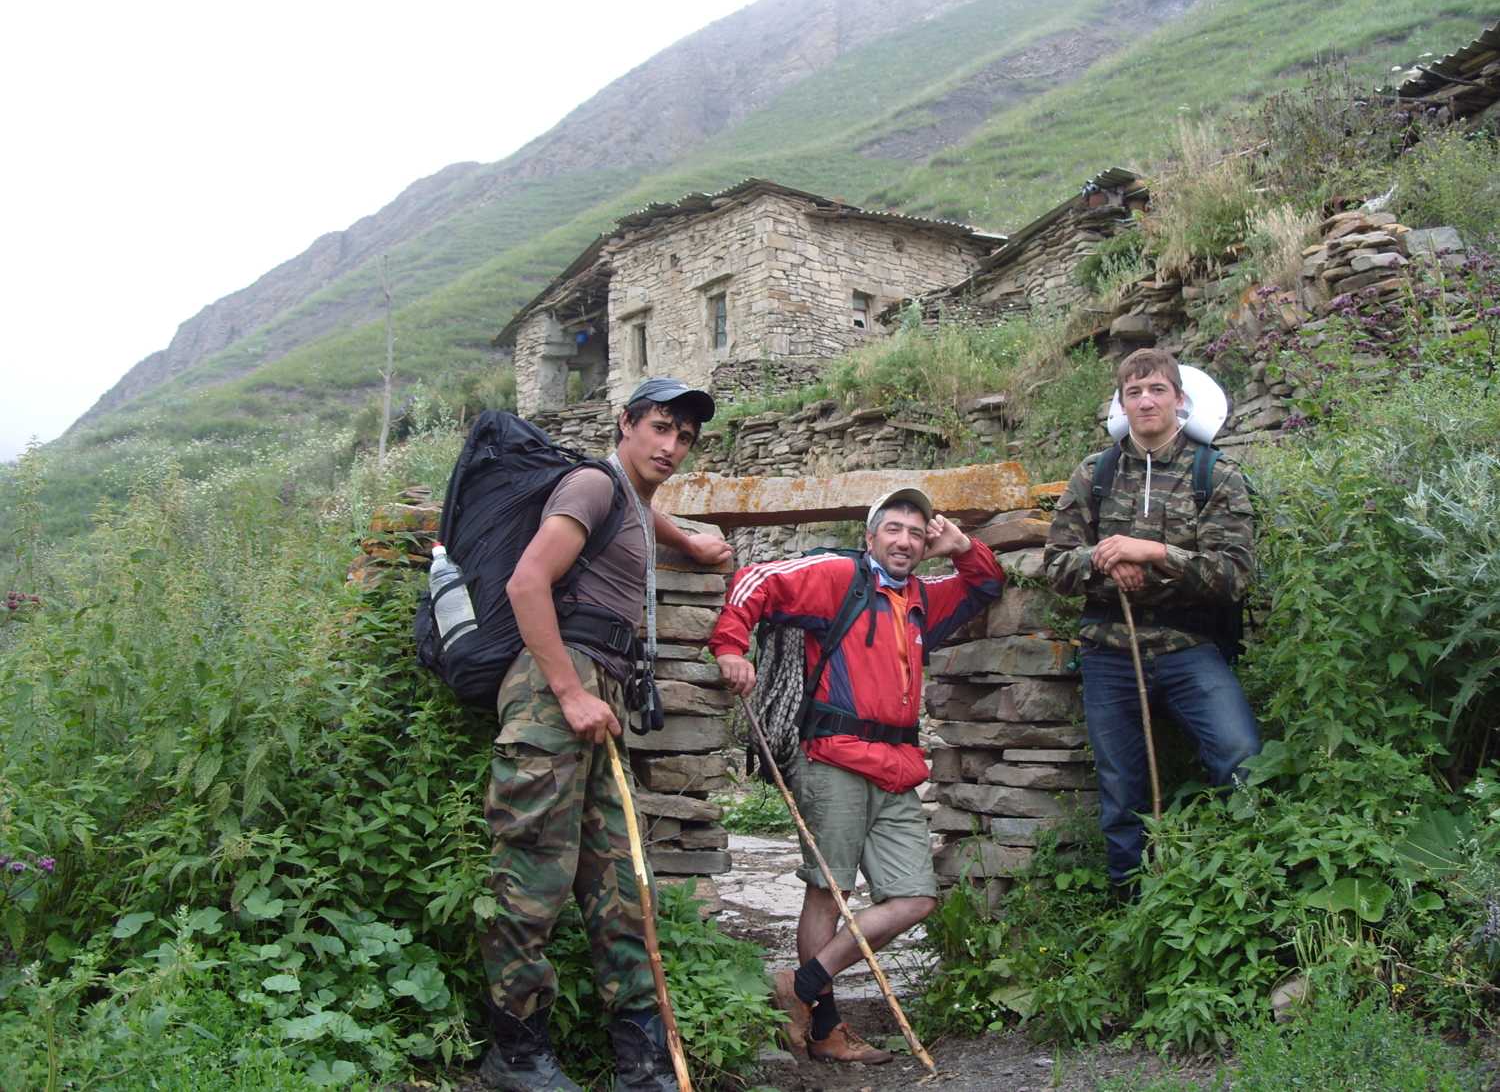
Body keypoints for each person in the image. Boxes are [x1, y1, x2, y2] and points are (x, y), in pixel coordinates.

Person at [478, 378, 732, 1092]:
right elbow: (528, 583)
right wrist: (567, 690)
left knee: (620, 882)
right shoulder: (592, 484)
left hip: (601, 693)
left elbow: (650, 523)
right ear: (623, 424)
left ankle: (642, 1061)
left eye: (684, 436)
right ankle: (516, 1052)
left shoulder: (635, 504)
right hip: (555, 688)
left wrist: (693, 541)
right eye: (659, 427)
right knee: (534, 873)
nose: (671, 445)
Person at [710, 489, 1004, 1064]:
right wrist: (729, 646)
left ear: (925, 545)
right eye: (892, 529)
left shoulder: (923, 597)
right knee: (829, 890)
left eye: (916, 534)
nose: (904, 541)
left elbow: (986, 585)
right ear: (870, 538)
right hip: (834, 758)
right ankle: (826, 1029)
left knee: (915, 898)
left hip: (897, 767)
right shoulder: (836, 575)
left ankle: (799, 985)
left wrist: (963, 545)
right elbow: (753, 579)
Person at [1044, 348, 1259, 890]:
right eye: (1134, 391)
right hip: (1110, 654)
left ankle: (1242, 887)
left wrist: (1154, 554)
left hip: (1189, 648)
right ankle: (1132, 908)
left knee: (1242, 758)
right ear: (1121, 402)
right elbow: (1057, 566)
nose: (1146, 400)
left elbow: (1233, 574)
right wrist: (1105, 560)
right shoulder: (1095, 474)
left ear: (1179, 400)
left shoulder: (1216, 474)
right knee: (1121, 791)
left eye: (1157, 389)